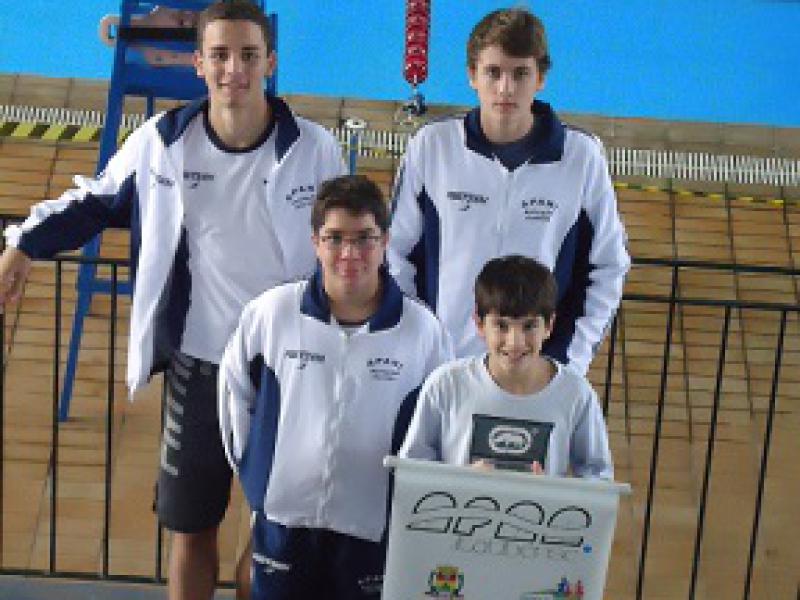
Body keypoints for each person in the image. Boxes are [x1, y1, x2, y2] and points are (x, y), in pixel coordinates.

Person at [0, 2, 345, 598]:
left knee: (276, 539)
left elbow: (348, 245)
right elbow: (95, 201)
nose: (234, 69)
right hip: (199, 367)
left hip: (288, 370)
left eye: (248, 55)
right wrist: (23, 245)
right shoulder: (162, 144)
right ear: (198, 64)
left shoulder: (314, 150)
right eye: (220, 55)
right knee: (190, 532)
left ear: (270, 62)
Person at [218, 175, 452, 599]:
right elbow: (235, 398)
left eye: (364, 238)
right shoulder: (272, 315)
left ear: (385, 242)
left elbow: (440, 427)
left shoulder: (422, 332)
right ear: (315, 242)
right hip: (284, 521)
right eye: (335, 238)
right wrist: (260, 482)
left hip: (372, 527)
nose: (350, 253)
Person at [388, 7, 630, 375]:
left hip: (534, 374)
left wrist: (569, 362)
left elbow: (610, 265)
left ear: (540, 78)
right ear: (472, 75)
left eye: (520, 74)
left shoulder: (581, 158)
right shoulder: (433, 146)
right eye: (493, 72)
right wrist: (417, 343)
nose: (505, 88)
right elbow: (395, 252)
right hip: (442, 367)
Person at [399, 255, 612, 479]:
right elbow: (411, 471)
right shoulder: (445, 385)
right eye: (501, 326)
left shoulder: (576, 394)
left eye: (529, 326)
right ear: (479, 323)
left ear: (549, 325)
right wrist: (462, 483)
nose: (515, 342)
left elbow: (598, 479)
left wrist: (550, 492)